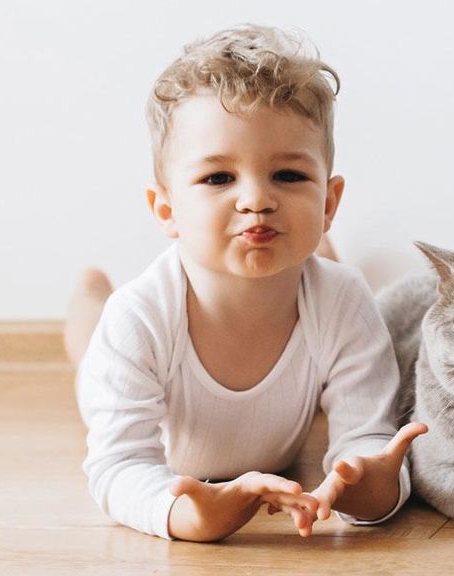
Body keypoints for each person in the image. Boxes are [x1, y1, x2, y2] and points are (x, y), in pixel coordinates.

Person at [64, 24, 426, 542]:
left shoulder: (344, 298)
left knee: (322, 274)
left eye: (288, 176)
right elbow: (119, 465)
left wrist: (370, 483)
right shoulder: (139, 317)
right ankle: (90, 290)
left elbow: (367, 436)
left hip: (312, 282)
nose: (256, 199)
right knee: (91, 350)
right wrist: (185, 515)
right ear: (166, 209)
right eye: (218, 178)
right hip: (131, 357)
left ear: (329, 203)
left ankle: (316, 249)